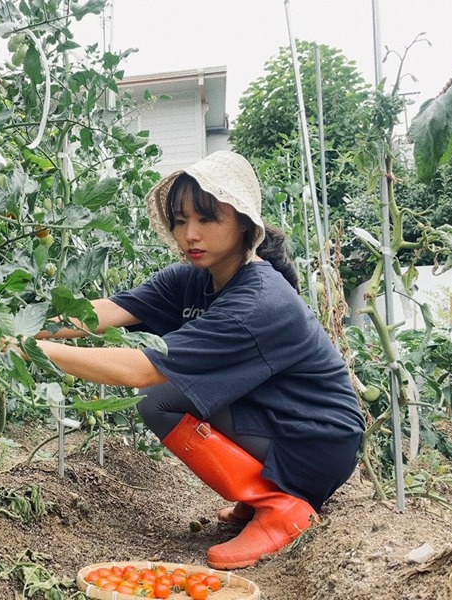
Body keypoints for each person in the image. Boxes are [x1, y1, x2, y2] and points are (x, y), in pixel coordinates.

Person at [23, 151, 365, 569]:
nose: (190, 234)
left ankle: (282, 506)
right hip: (278, 418)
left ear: (244, 223)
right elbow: (104, 311)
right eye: (181, 220)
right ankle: (256, 495)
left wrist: (31, 349)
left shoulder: (258, 300)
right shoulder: (194, 279)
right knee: (168, 394)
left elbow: (141, 370)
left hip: (316, 442)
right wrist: (19, 323)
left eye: (206, 219)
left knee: (157, 395)